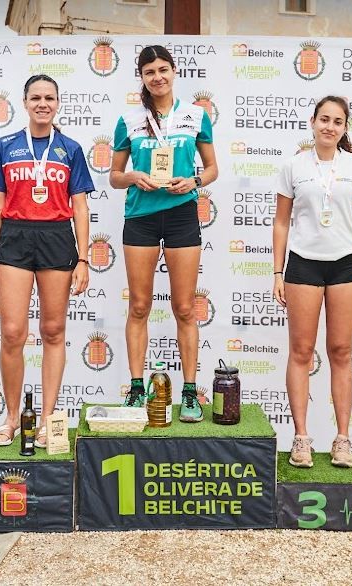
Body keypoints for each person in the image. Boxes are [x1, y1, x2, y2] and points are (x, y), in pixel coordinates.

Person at [109, 45, 218, 422]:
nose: (157, 77)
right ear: (141, 77)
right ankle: (137, 388)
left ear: (174, 72)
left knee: (185, 308)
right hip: (140, 216)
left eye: (163, 70)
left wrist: (194, 180)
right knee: (139, 306)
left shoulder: (195, 115)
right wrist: (133, 177)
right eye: (149, 71)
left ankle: (189, 392)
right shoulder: (129, 119)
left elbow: (212, 168)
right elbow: (114, 176)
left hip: (181, 214)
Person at [0, 74, 93, 448]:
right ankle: (12, 418)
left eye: (49, 97)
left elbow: (80, 205)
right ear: (25, 102)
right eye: (35, 97)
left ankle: (47, 419)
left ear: (58, 103)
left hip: (57, 238)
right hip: (15, 237)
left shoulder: (71, 149)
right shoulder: (5, 145)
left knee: (53, 331)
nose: (42, 103)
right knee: (13, 332)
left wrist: (83, 257)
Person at [272, 96, 352, 468]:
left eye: (338, 122)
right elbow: (281, 222)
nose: (330, 127)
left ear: (345, 128)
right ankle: (301, 438)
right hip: (303, 265)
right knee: (301, 352)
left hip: (347, 265)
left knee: (341, 352)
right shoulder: (293, 166)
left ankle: (343, 439)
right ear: (312, 122)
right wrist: (277, 271)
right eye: (324, 119)